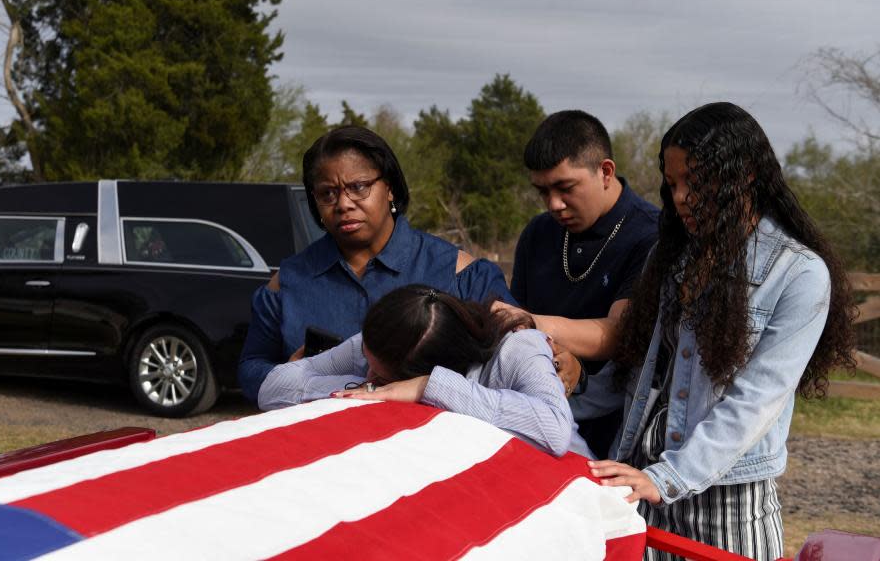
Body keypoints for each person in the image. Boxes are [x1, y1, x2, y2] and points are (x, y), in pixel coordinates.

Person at [577, 102, 856, 560]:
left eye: (696, 181)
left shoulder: (799, 274)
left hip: (726, 502)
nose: (681, 196)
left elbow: (756, 400)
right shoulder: (668, 258)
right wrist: (560, 398)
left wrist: (668, 478)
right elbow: (640, 370)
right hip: (645, 491)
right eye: (672, 184)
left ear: (744, 176)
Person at [237, 126, 547, 404]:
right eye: (327, 193)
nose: (343, 204)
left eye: (359, 187)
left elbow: (520, 353)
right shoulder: (287, 281)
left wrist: (568, 367)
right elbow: (250, 370)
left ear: (391, 188)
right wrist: (291, 374)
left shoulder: (460, 272)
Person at [259, 285, 592, 458]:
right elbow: (274, 387)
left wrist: (431, 387)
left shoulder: (517, 348)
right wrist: (368, 387)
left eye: (382, 377)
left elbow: (555, 431)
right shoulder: (377, 344)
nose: (369, 374)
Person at [498, 110, 659, 458]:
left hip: (617, 438)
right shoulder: (539, 233)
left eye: (565, 188)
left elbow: (620, 333)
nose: (554, 204)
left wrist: (530, 324)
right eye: (543, 191)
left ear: (605, 171)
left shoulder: (651, 236)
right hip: (533, 419)